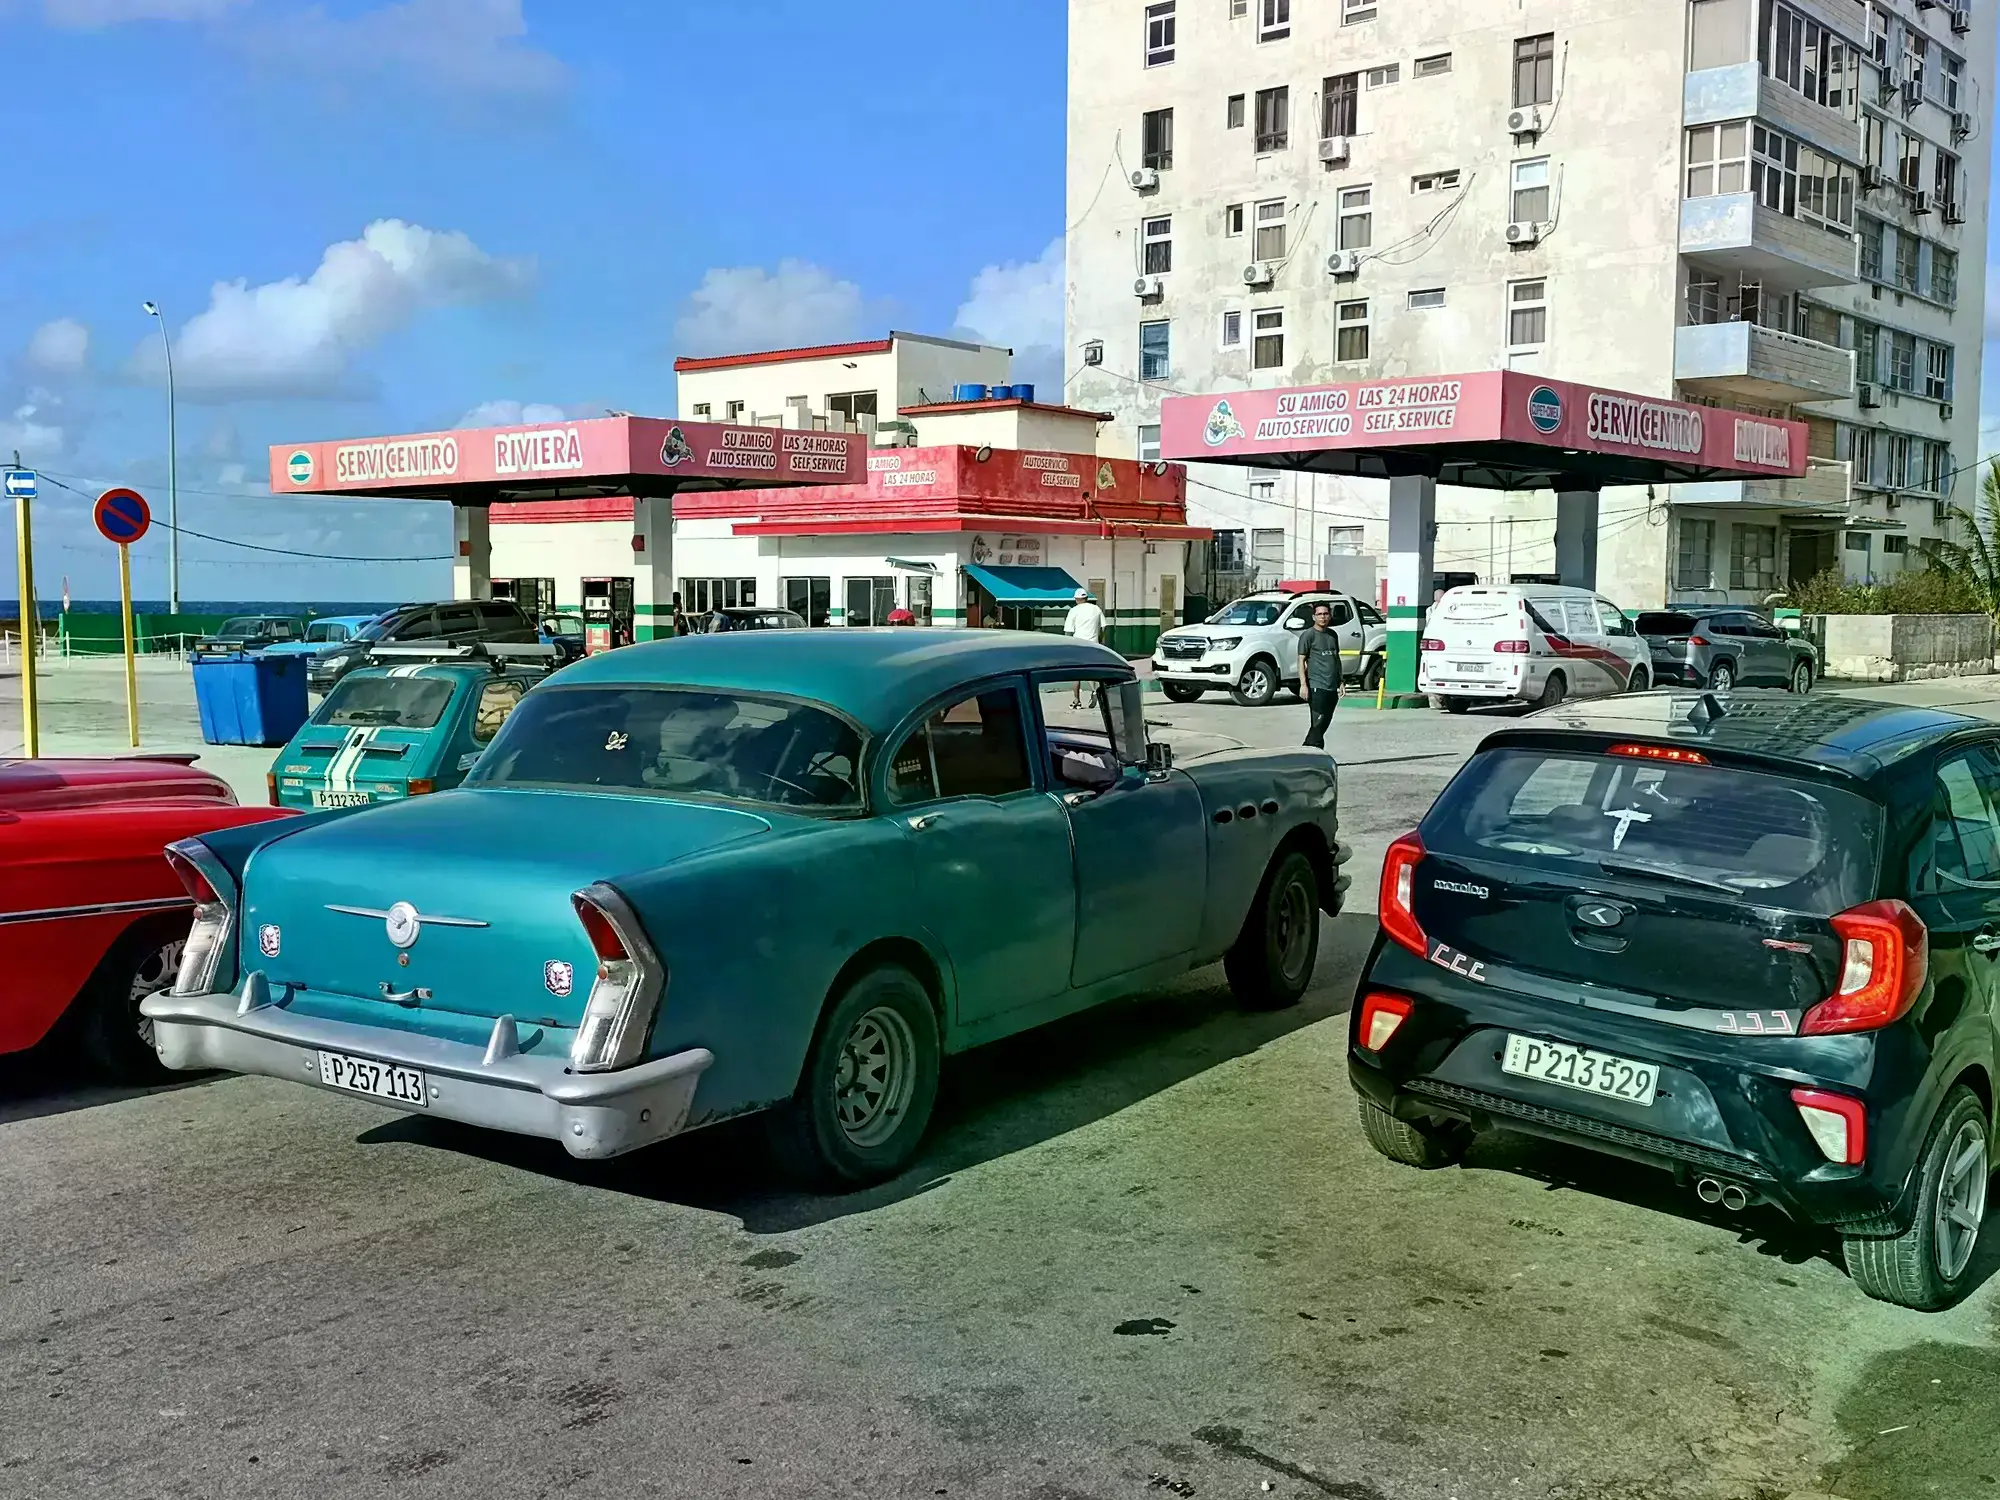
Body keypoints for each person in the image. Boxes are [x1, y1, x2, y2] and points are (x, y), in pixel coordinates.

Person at [1298, 601, 1343, 750]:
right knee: (1318, 722)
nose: (1323, 617)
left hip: (1332, 686)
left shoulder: (1332, 635)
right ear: (1313, 617)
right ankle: (1305, 751)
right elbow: (1301, 660)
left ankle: (1315, 752)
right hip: (1316, 685)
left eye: (1325, 614)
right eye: (1319, 614)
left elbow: (1336, 659)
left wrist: (1341, 681)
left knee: (1324, 723)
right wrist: (1303, 685)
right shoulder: (1308, 635)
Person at [1062, 588, 1106, 708]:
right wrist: (1100, 641)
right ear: (1087, 598)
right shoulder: (1096, 609)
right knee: (1091, 671)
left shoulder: (1073, 611)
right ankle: (1095, 690)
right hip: (1094, 644)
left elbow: (1068, 632)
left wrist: (1067, 647)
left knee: (1076, 673)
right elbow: (1103, 627)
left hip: (1078, 645)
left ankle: (1076, 700)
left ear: (1076, 599)